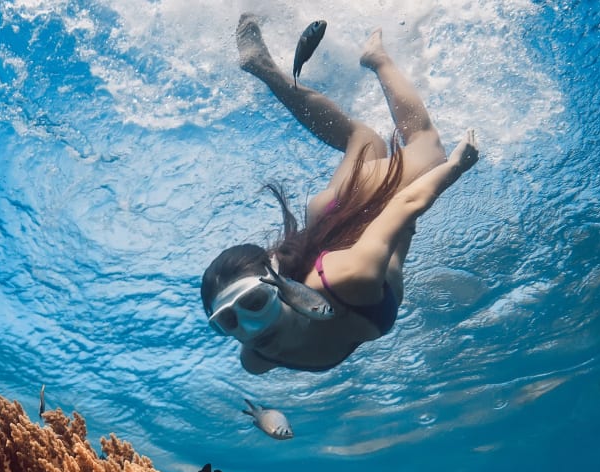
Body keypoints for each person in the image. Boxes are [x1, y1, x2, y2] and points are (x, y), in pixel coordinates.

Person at [205, 17, 481, 373]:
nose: (250, 327)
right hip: (328, 228)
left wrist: (456, 166)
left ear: (277, 286)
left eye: (255, 301)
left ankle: (377, 57)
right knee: (364, 140)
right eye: (227, 321)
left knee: (427, 146)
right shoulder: (256, 360)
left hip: (351, 213)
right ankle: (263, 66)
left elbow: (405, 204)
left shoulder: (351, 277)